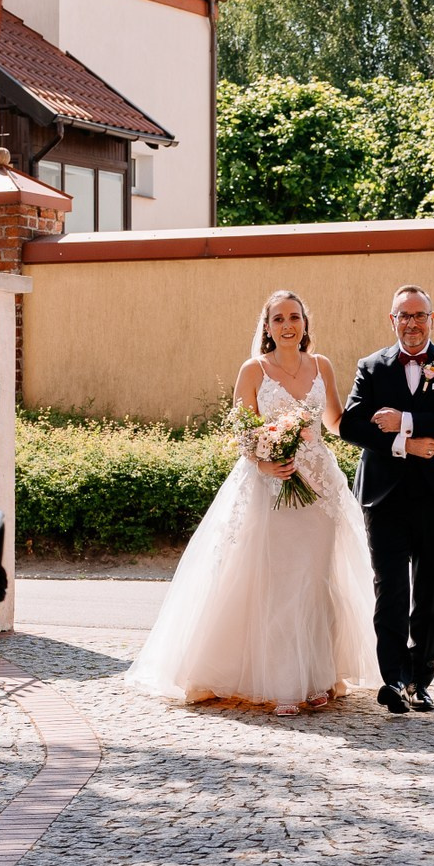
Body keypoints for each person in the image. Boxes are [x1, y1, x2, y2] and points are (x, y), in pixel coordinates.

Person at [124, 291, 378, 714]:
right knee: (278, 581)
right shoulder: (253, 370)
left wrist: (375, 425)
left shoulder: (323, 366)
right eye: (278, 318)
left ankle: (315, 676)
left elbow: (334, 420)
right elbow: (244, 434)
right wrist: (265, 461)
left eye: (294, 317)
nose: (287, 325)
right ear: (267, 327)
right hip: (271, 487)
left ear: (305, 323)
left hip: (319, 488)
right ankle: (282, 685)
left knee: (315, 580)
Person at [337, 285, 434, 712]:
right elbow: (350, 426)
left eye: (420, 315)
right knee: (391, 590)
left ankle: (421, 679)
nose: (412, 323)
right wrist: (404, 443)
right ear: (392, 320)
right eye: (404, 316)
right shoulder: (371, 367)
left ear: (432, 319)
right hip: (385, 497)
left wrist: (407, 420)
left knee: (432, 590)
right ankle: (394, 680)